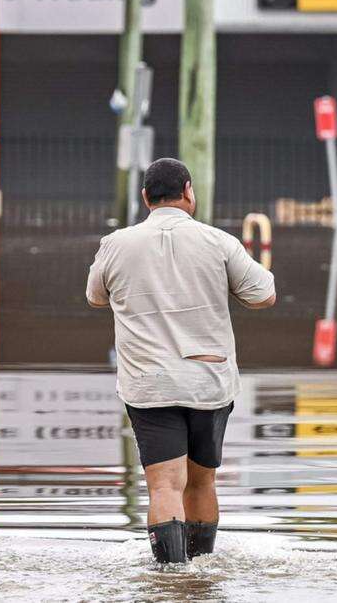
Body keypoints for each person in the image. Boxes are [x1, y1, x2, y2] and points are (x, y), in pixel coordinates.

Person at [85, 158, 276, 564]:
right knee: (202, 483)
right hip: (208, 381)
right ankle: (202, 570)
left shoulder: (116, 244)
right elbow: (264, 295)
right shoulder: (219, 242)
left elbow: (95, 296)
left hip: (149, 384)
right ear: (189, 191)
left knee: (164, 487)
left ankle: (171, 578)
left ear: (144, 198)